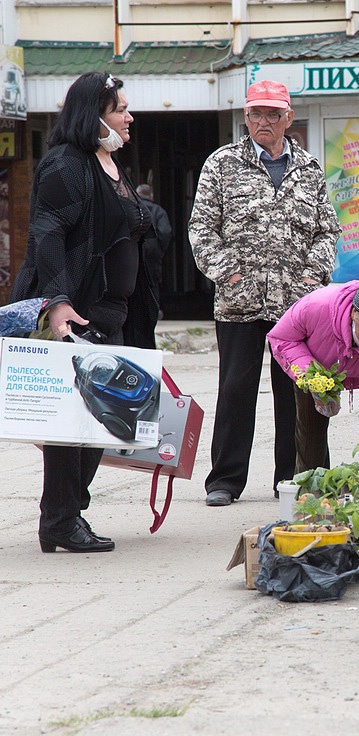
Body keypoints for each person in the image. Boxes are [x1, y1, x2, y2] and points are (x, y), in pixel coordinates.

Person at [11, 72, 156, 553]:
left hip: (113, 312)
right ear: (92, 117)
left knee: (100, 420)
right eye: (119, 110)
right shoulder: (65, 166)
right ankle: (60, 519)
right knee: (71, 422)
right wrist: (58, 303)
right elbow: (46, 237)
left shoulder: (109, 162)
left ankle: (68, 506)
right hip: (77, 312)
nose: (128, 117)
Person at [190, 80, 341, 507]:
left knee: (294, 392)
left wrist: (312, 277)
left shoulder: (309, 169)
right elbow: (201, 228)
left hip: (296, 305)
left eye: (273, 114)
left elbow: (328, 231)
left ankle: (292, 479)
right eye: (256, 114)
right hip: (240, 302)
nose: (263, 122)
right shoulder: (221, 164)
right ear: (245, 117)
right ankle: (224, 480)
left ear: (288, 119)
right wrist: (227, 273)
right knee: (236, 388)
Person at [268, 279, 359, 473]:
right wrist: (312, 377)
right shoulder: (316, 306)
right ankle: (311, 490)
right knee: (310, 434)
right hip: (318, 365)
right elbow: (282, 338)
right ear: (354, 315)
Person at [135, 183, 171, 319]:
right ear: (151, 196)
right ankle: (152, 312)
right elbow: (165, 232)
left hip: (133, 254)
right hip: (152, 256)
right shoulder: (158, 211)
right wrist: (158, 249)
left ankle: (136, 314)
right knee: (152, 283)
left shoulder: (132, 207)